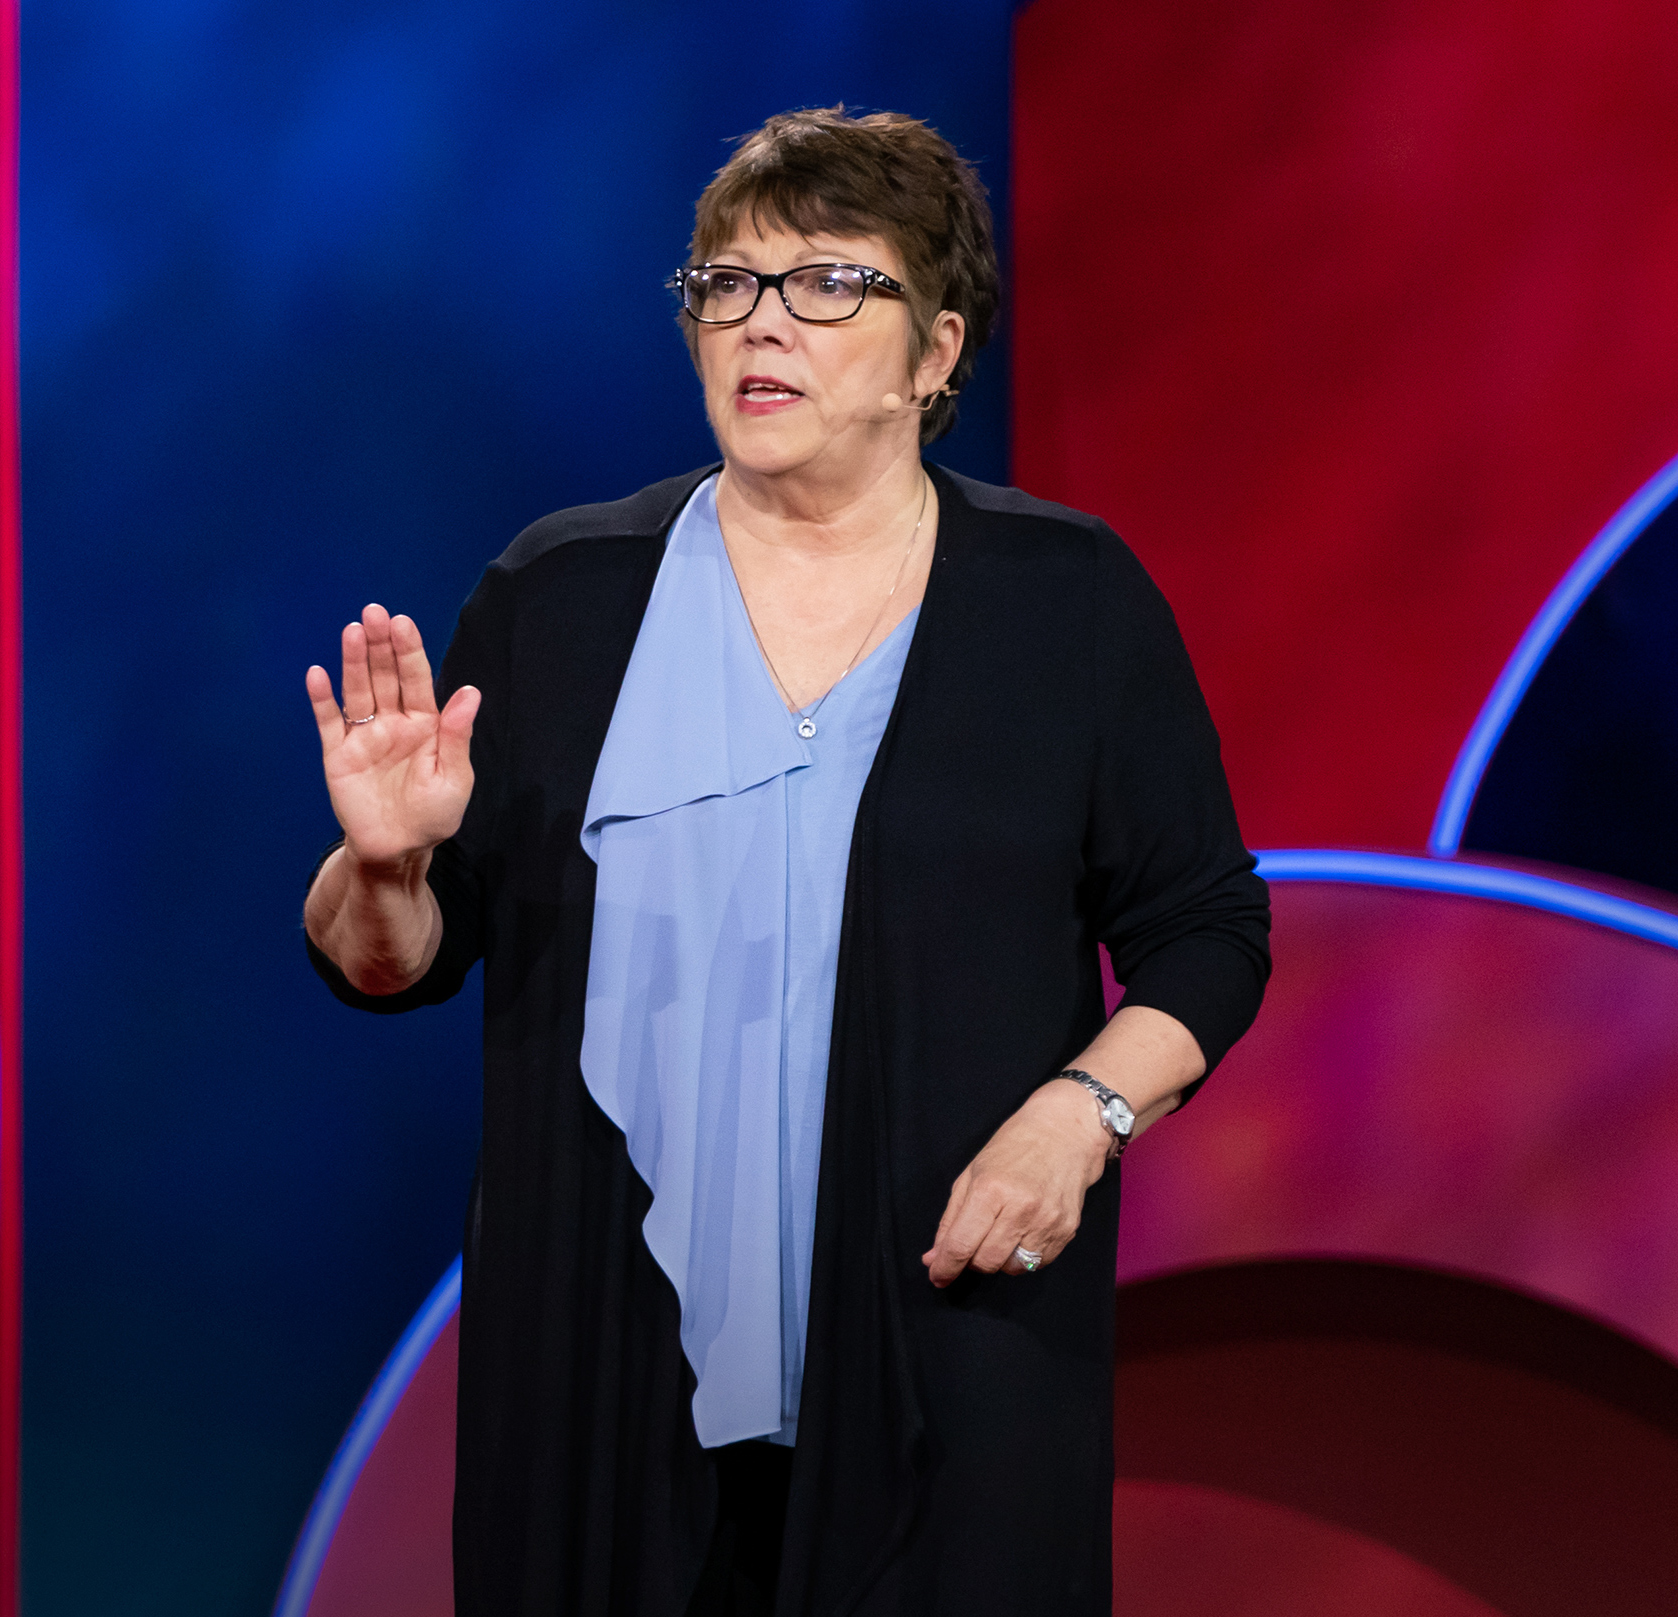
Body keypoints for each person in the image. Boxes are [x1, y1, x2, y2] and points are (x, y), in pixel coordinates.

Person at [302, 106, 1269, 1617]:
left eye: (826, 284)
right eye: (725, 285)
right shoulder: (561, 595)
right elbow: (395, 957)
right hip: (599, 1389)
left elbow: (1205, 928)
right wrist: (379, 866)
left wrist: (1079, 1116)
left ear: (937, 349)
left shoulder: (1064, 599)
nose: (761, 323)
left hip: (952, 1352)